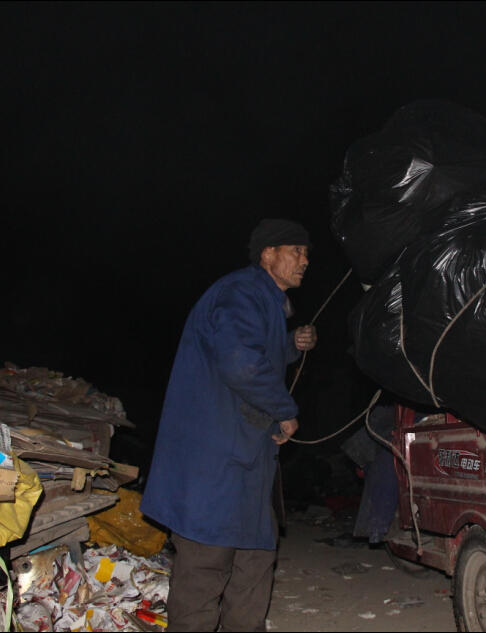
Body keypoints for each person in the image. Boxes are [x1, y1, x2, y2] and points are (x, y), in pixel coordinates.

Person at [140, 218, 317, 632]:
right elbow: (240, 362)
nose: (305, 261)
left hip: (247, 454)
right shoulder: (242, 291)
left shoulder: (266, 301)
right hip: (214, 453)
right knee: (208, 557)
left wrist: (291, 344)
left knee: (255, 554)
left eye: (307, 254)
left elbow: (257, 354)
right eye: (297, 251)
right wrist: (284, 408)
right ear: (268, 254)